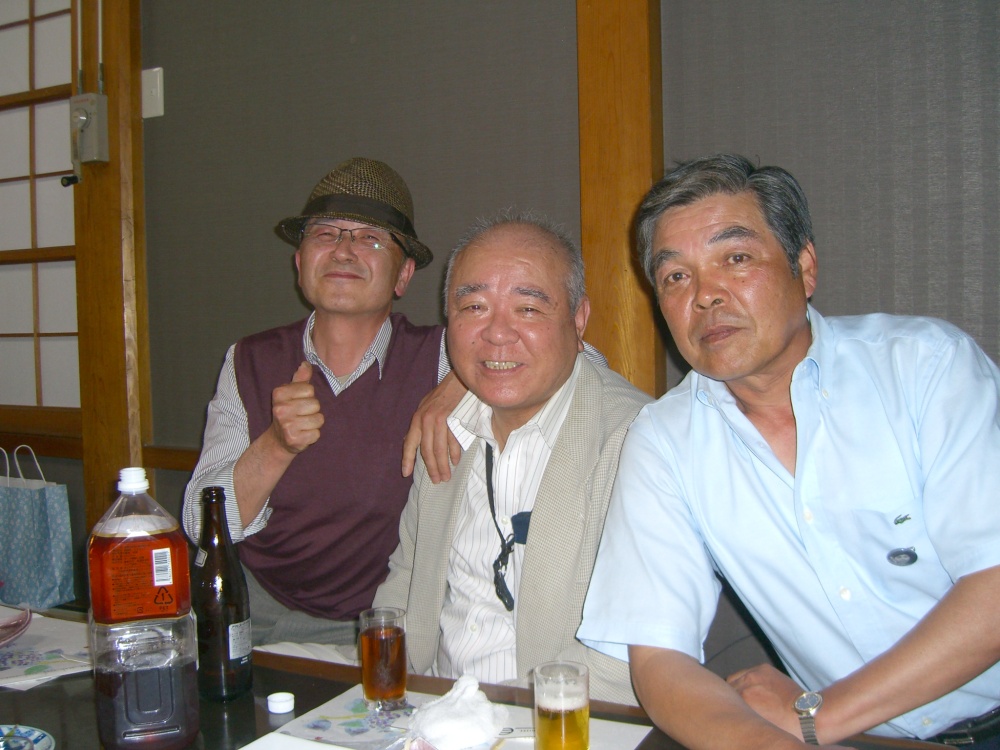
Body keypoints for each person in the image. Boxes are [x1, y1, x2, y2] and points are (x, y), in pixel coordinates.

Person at [578, 154, 1000, 748]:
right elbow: (659, 660)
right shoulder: (664, 440)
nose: (705, 296)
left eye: (736, 258)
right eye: (675, 277)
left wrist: (817, 716)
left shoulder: (925, 368)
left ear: (804, 268)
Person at [373, 213, 652, 704]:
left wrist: (492, 720)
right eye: (474, 306)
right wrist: (386, 697)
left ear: (578, 319)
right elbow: (407, 578)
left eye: (527, 308)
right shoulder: (446, 427)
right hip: (431, 706)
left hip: (556, 720)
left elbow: (628, 656)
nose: (497, 333)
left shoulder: (636, 443)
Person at [182, 157, 456, 646]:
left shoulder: (440, 357)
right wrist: (277, 445)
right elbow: (202, 523)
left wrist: (460, 382)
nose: (344, 250)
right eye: (326, 234)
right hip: (255, 609)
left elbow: (568, 358)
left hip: (383, 621)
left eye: (370, 238)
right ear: (300, 263)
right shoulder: (249, 359)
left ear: (403, 275)